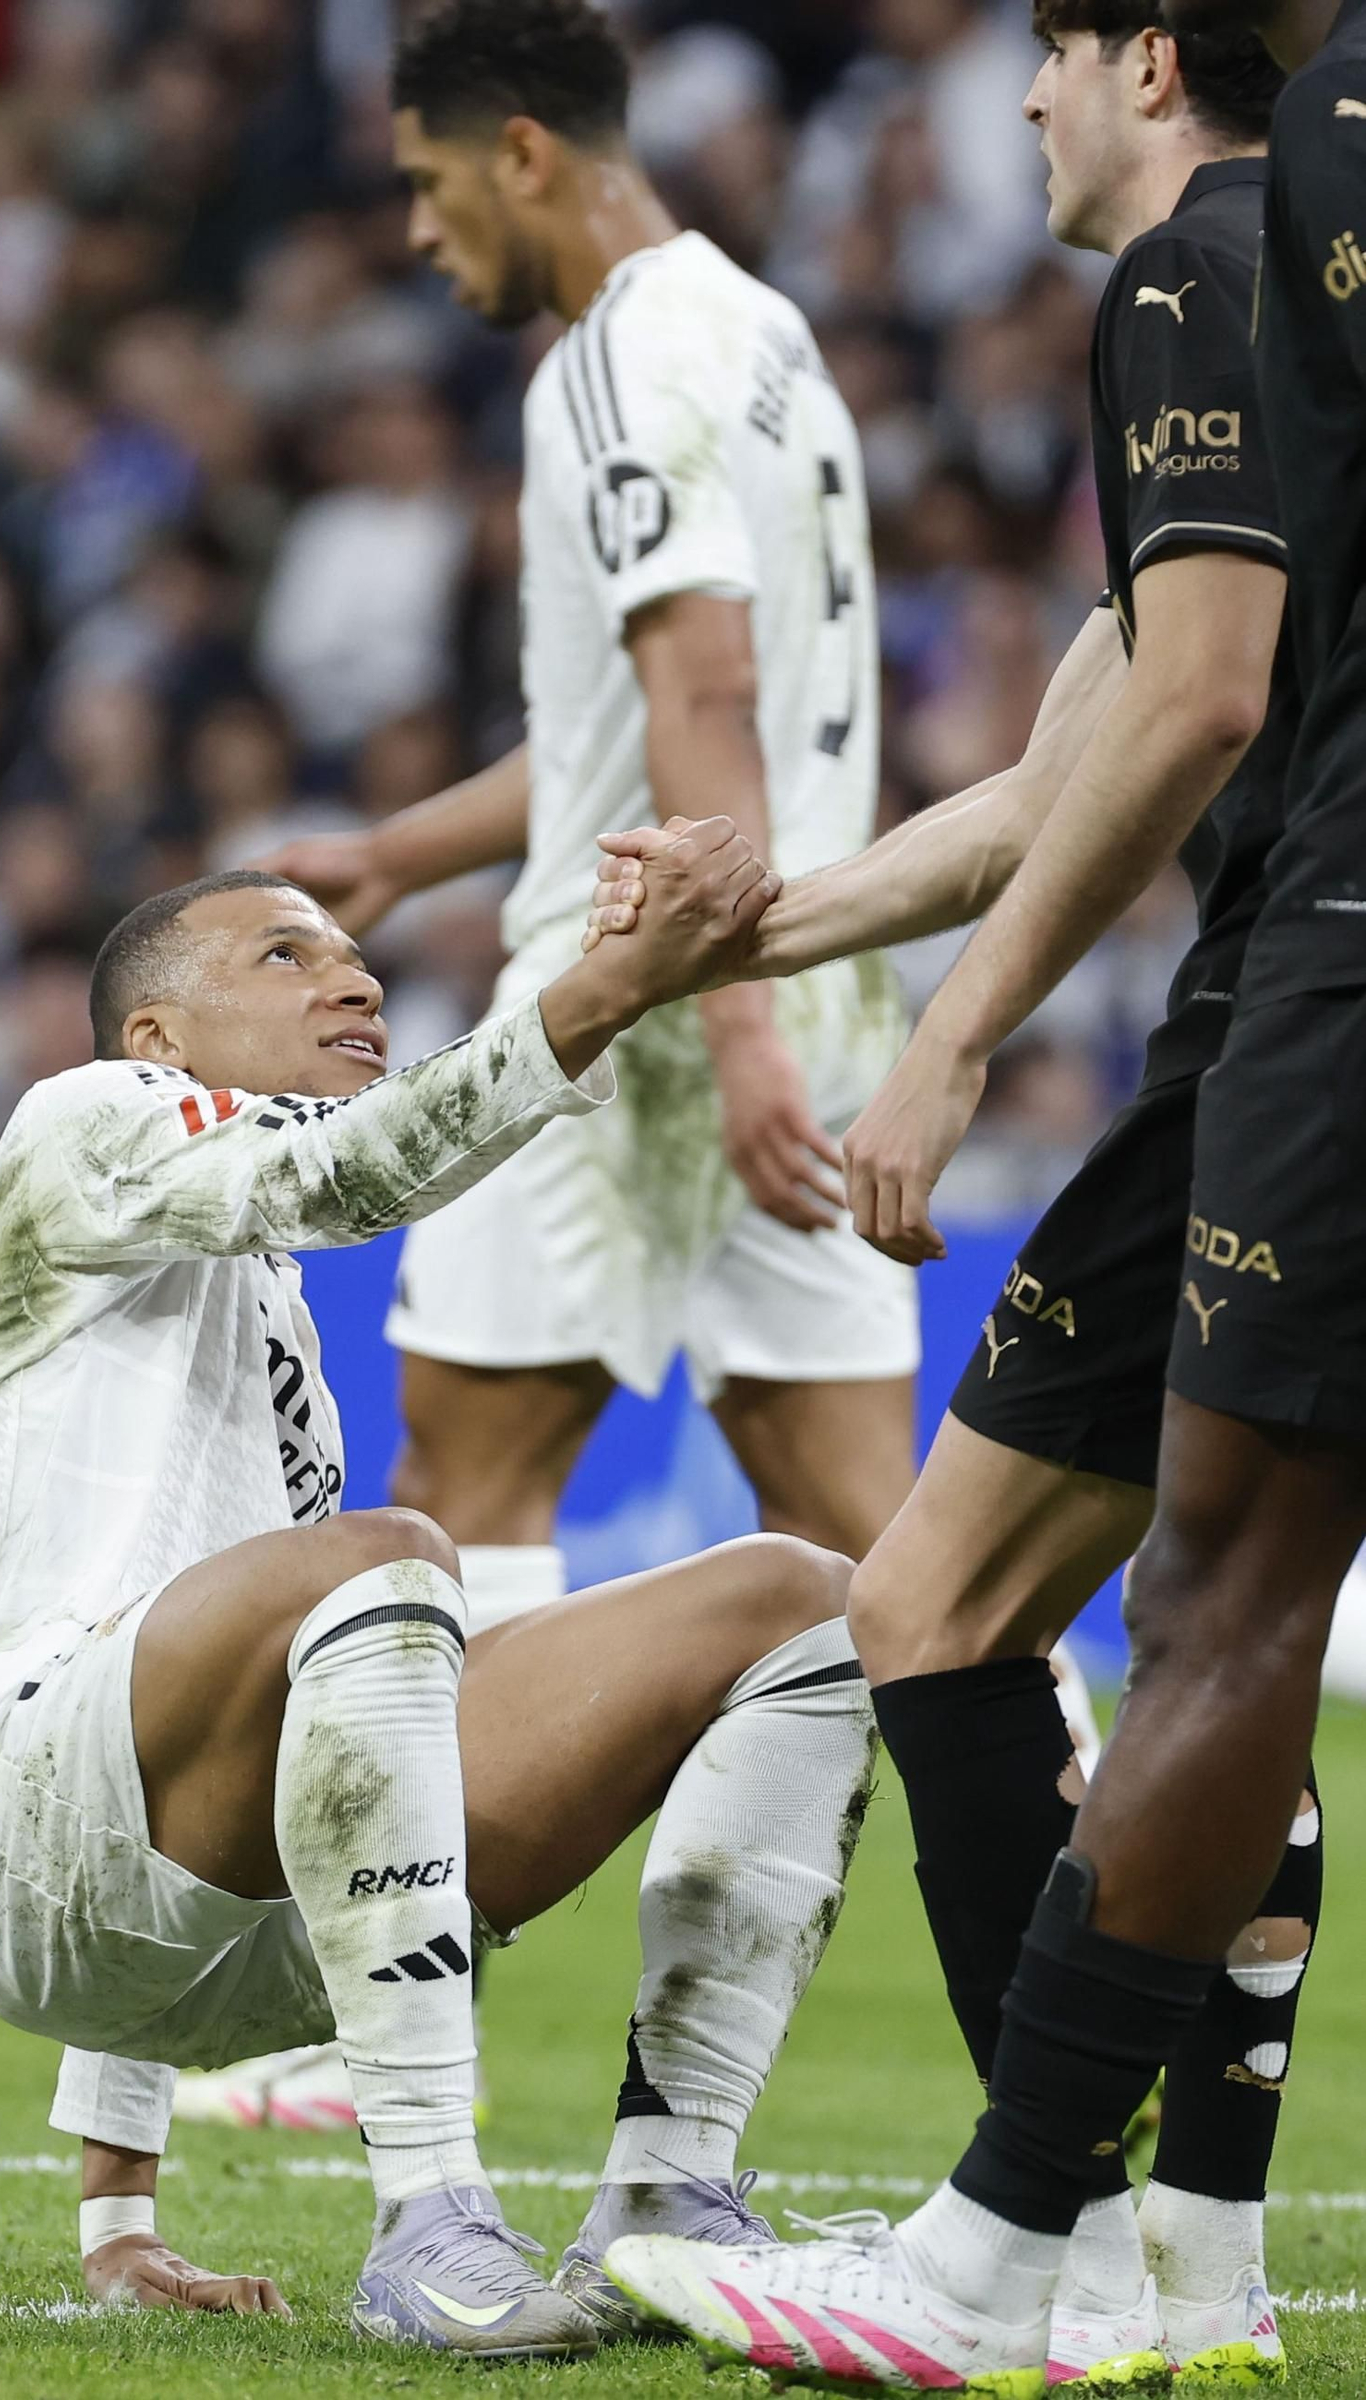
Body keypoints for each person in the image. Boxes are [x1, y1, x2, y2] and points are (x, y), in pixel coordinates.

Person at [587, 9, 1332, 2389]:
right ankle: (1178, 2255)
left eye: (1042, 51)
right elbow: (1061, 773)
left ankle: (1031, 2249)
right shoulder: (1285, 286)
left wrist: (947, 1033)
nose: (1013, 104)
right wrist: (743, 930)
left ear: (1139, 57)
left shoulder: (1189, 277)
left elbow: (1198, 705)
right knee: (1017, 1602)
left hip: (1294, 997)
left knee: (1154, 1601)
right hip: (1250, 1006)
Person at [0, 838, 881, 2359]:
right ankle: (430, 2223)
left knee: (803, 1600)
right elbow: (345, 1171)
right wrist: (610, 984)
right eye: (283, 956)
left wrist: (120, 2217)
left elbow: (204, 1730)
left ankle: (670, 2193)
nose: (351, 973)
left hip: (227, 1923)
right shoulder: (82, 1119)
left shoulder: (268, 1321)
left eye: (351, 955)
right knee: (384, 1557)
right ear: (157, 1038)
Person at [270, 0, 921, 1634]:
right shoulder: (765, 334)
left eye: (430, 184)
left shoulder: (616, 357)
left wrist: (734, 1023)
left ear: (524, 153)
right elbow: (644, 728)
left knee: (461, 1489)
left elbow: (703, 692)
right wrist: (397, 856)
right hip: (818, 976)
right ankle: (1078, 1869)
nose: (420, 231)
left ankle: (439, 1891)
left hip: (634, 1000)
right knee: (877, 1537)